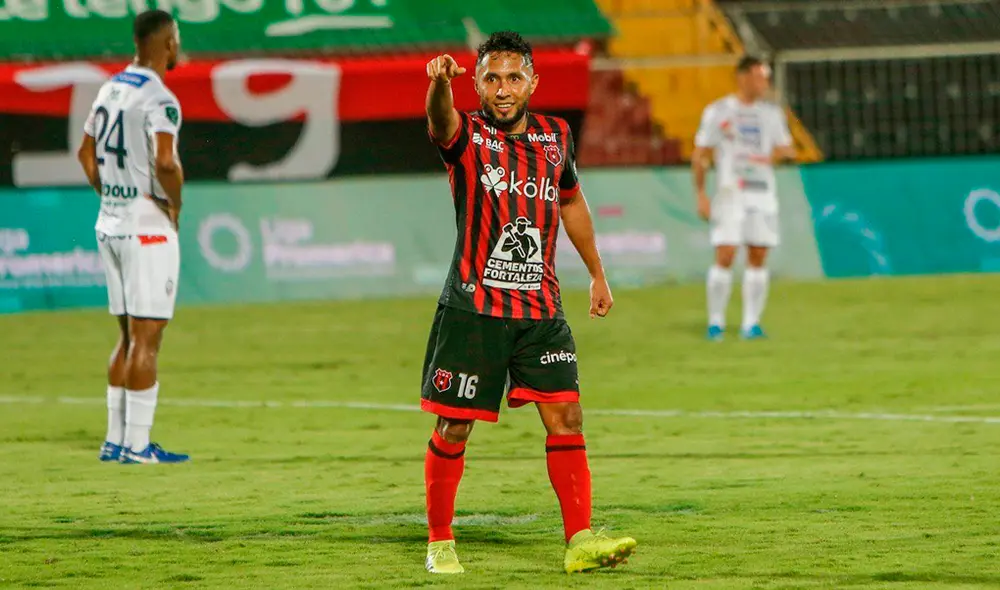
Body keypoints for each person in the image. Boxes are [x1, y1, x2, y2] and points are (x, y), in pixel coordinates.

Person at [420, 31, 637, 575]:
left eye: (514, 77)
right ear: (476, 84)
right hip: (474, 309)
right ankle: (440, 541)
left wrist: (597, 274)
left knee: (566, 416)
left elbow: (571, 203)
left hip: (541, 311)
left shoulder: (555, 136)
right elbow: (440, 120)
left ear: (533, 81)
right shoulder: (466, 134)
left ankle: (580, 540)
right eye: (491, 78)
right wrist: (438, 85)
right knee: (455, 427)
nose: (503, 88)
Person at [77, 9, 188, 464]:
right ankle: (139, 447)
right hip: (146, 229)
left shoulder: (111, 86)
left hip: (111, 222)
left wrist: (113, 195)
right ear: (166, 43)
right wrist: (173, 203)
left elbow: (85, 152)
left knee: (126, 336)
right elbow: (165, 163)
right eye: (177, 38)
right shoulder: (161, 98)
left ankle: (115, 441)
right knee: (148, 338)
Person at [692, 56, 796, 341]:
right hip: (730, 193)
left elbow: (788, 150)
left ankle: (751, 323)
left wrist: (771, 156)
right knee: (725, 253)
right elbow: (700, 153)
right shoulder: (719, 111)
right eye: (760, 76)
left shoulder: (771, 114)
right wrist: (701, 193)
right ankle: (716, 322)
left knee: (758, 254)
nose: (765, 82)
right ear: (743, 77)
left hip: (761, 193)